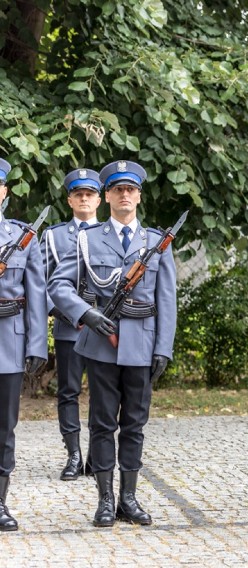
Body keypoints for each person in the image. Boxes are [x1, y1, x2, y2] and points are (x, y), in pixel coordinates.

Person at [48, 160, 176, 527]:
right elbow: (58, 285)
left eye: (130, 189)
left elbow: (167, 298)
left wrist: (163, 347)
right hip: (100, 343)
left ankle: (129, 499)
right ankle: (105, 500)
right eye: (117, 189)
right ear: (107, 196)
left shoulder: (156, 242)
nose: (124, 195)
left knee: (134, 424)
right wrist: (84, 314)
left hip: (142, 343)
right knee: (103, 424)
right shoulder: (87, 239)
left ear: (138, 195)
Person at [42, 168, 102, 480]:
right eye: (78, 194)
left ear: (98, 200)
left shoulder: (109, 233)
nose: (83, 199)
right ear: (69, 200)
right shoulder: (52, 236)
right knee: (68, 392)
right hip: (68, 328)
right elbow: (41, 281)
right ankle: (73, 455)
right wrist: (62, 311)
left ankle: (96, 455)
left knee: (103, 393)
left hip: (102, 330)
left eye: (89, 194)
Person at [0, 157, 48, 532]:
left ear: (4, 191)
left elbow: (36, 292)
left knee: (4, 427)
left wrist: (37, 346)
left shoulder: (21, 237)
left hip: (8, 344)